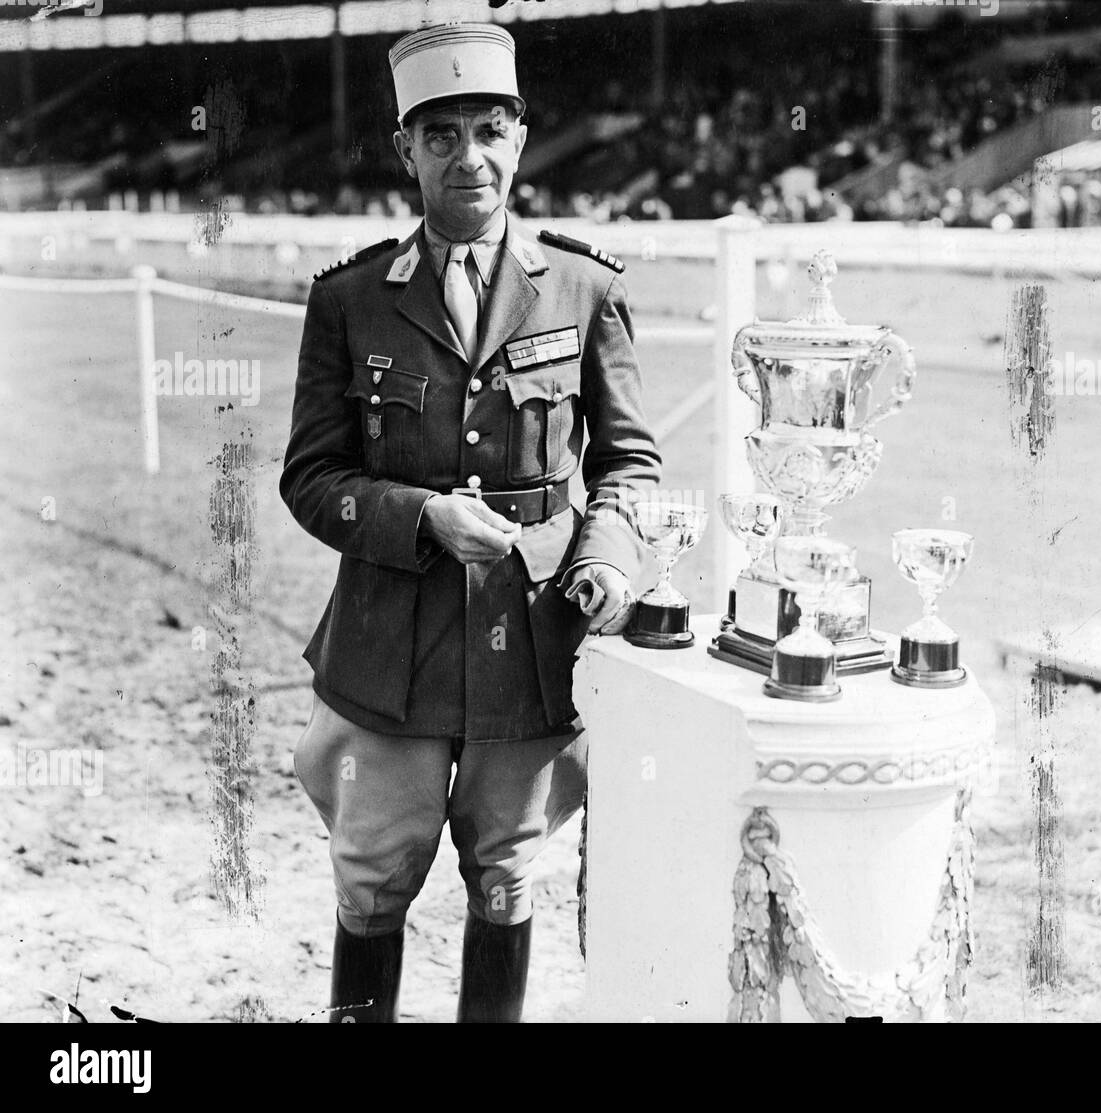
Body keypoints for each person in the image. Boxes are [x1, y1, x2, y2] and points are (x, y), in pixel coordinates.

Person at [279, 21, 661, 1023]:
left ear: (523, 140)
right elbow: (312, 477)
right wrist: (419, 518)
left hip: (530, 641)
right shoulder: (352, 299)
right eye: (440, 135)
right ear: (406, 151)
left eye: (490, 129)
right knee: (372, 876)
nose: (469, 157)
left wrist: (610, 559)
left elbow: (628, 464)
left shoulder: (585, 288)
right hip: (387, 645)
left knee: (507, 874)